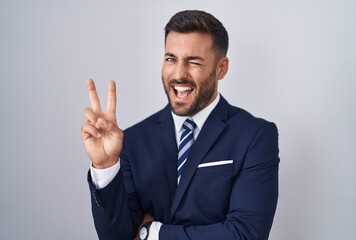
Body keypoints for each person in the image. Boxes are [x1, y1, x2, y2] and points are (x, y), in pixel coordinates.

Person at [81, 10, 279, 240]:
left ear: (221, 68)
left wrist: (153, 233)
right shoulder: (131, 141)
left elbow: (245, 234)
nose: (178, 74)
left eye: (193, 61)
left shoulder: (255, 136)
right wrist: (104, 165)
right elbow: (117, 236)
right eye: (171, 59)